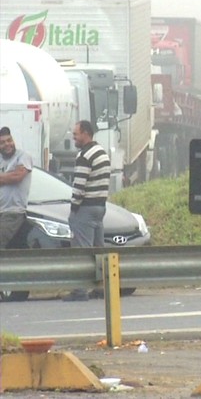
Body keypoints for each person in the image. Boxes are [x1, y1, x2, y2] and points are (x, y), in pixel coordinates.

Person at [64, 120, 111, 302]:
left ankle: (79, 291)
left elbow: (79, 185)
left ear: (85, 133)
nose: (74, 137)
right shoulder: (101, 153)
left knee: (81, 251)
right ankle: (102, 288)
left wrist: (74, 207)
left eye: (76, 134)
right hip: (100, 207)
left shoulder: (84, 155)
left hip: (85, 207)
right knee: (99, 250)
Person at [0, 127, 33, 249]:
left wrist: (8, 177)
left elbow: (17, 176)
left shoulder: (23, 156)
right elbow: (12, 176)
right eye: (2, 142)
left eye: (9, 140)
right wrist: (7, 177)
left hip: (12, 212)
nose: (7, 144)